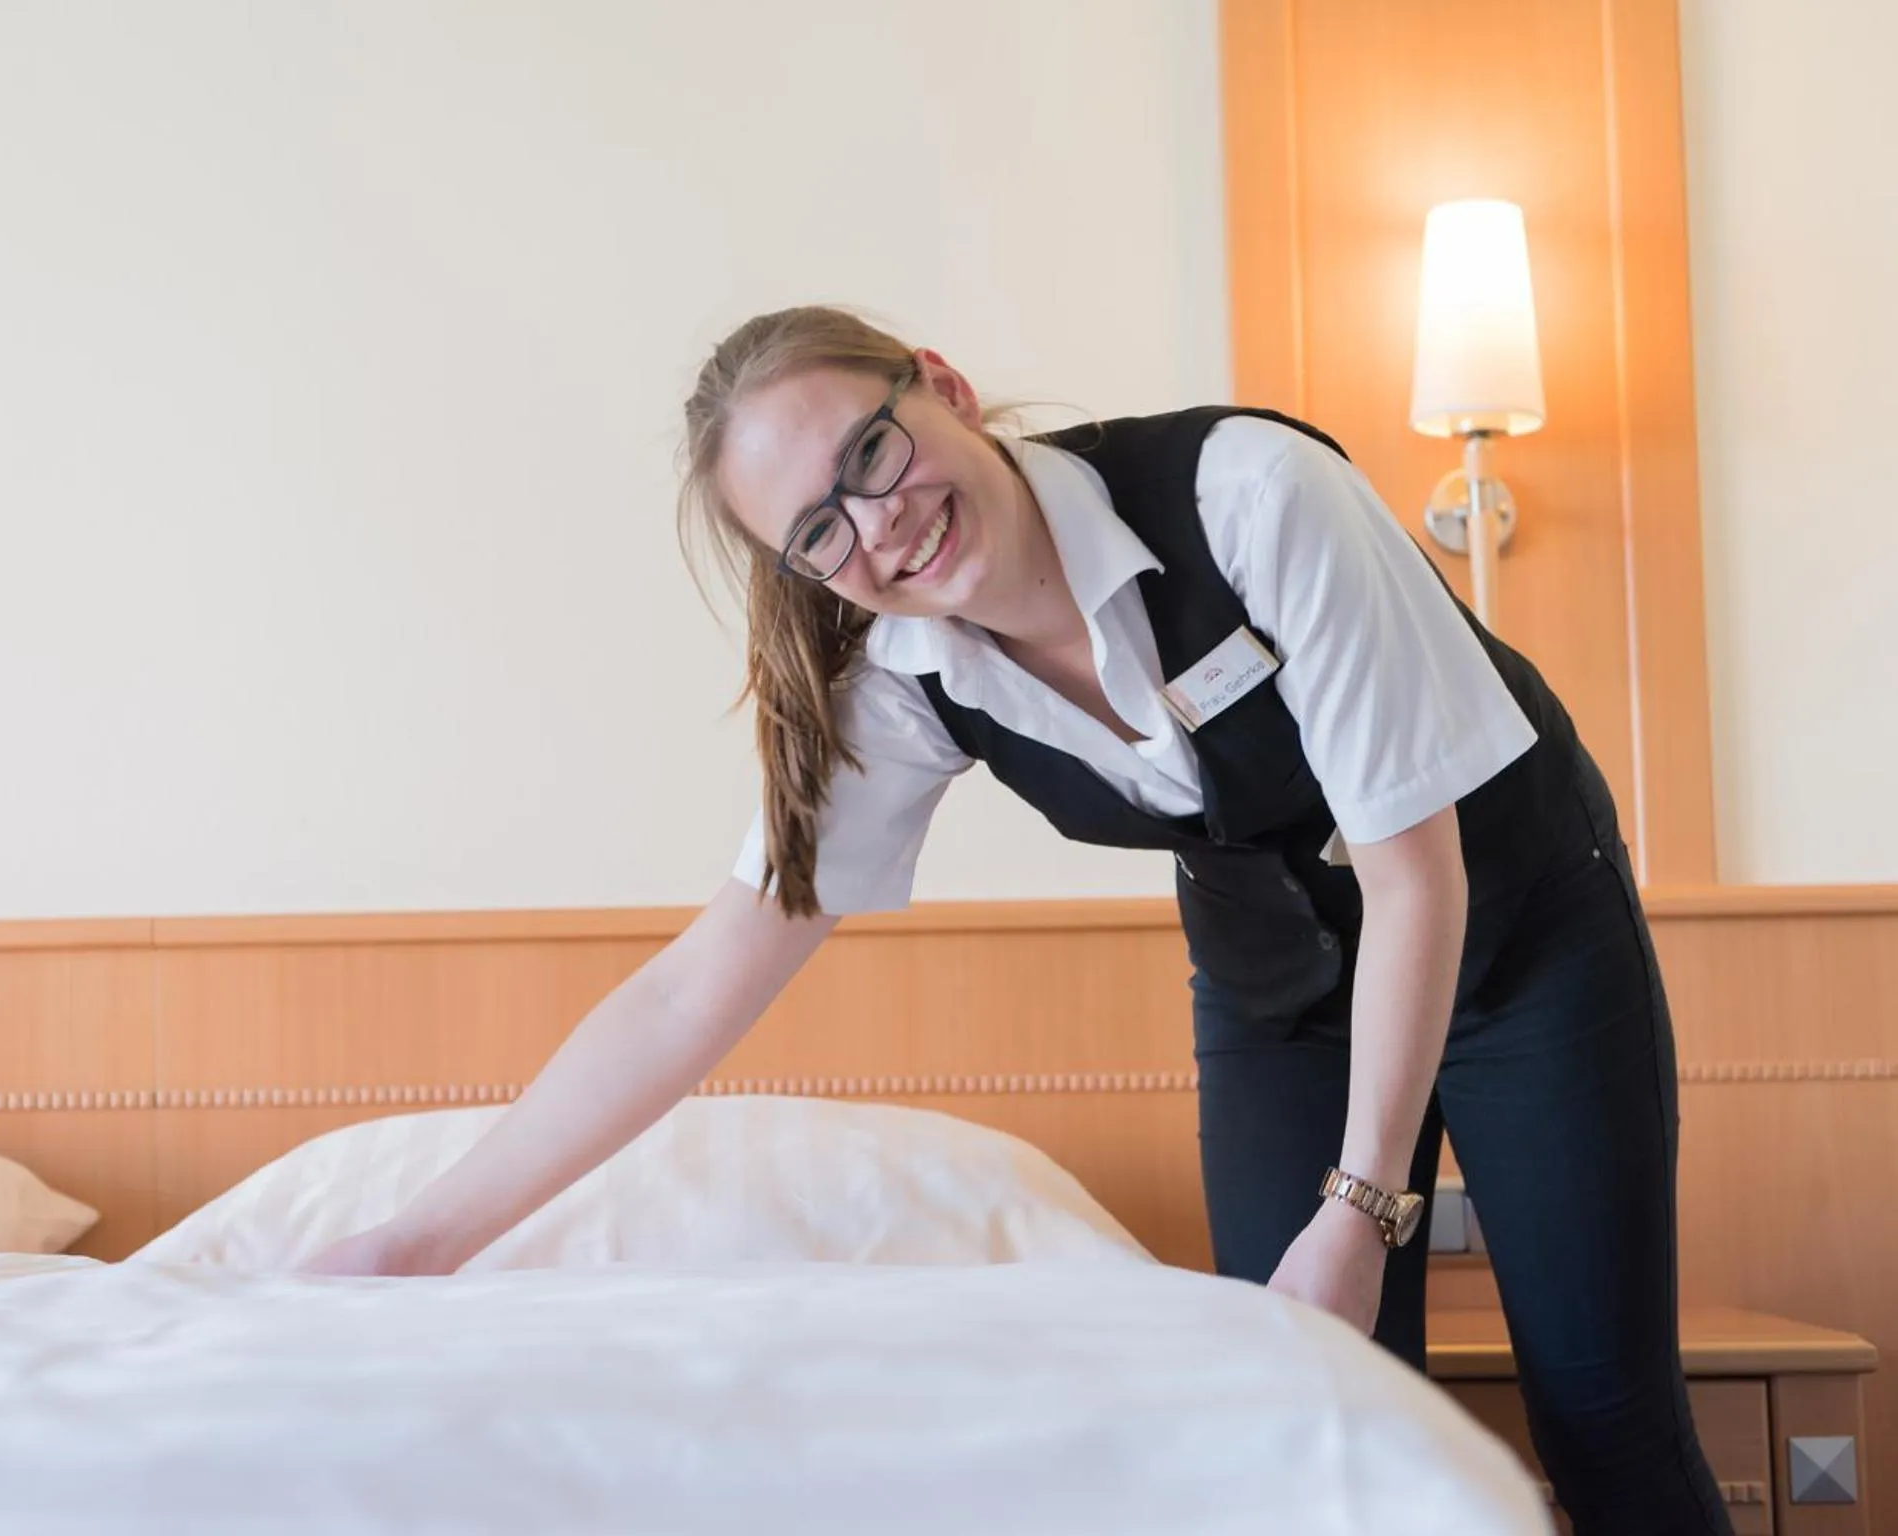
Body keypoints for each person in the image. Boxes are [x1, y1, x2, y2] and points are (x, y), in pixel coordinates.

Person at [303, 306, 1732, 1535]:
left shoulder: (1249, 494)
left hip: (1515, 938)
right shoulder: (900, 682)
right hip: (1277, 988)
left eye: (867, 453)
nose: (877, 524)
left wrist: (1357, 1212)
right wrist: (421, 1241)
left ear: (939, 383)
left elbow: (1415, 871)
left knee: (1599, 1408)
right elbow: (698, 987)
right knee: (1316, 1412)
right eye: (816, 529)